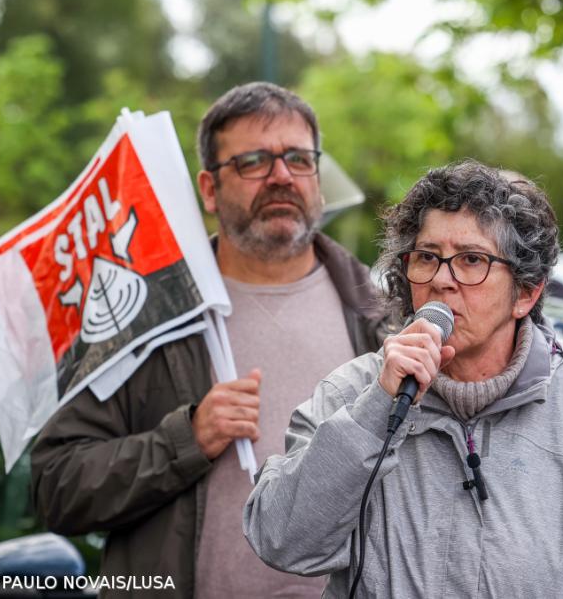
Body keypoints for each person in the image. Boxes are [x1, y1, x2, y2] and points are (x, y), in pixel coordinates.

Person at [244, 160, 563, 597]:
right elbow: (280, 541)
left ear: (526, 292)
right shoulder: (354, 391)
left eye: (472, 260)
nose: (442, 280)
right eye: (427, 257)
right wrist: (374, 411)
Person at [30, 82, 388, 598]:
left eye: (298, 158)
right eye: (254, 162)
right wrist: (186, 441)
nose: (281, 176)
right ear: (208, 188)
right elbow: (55, 487)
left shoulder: (384, 318)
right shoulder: (140, 317)